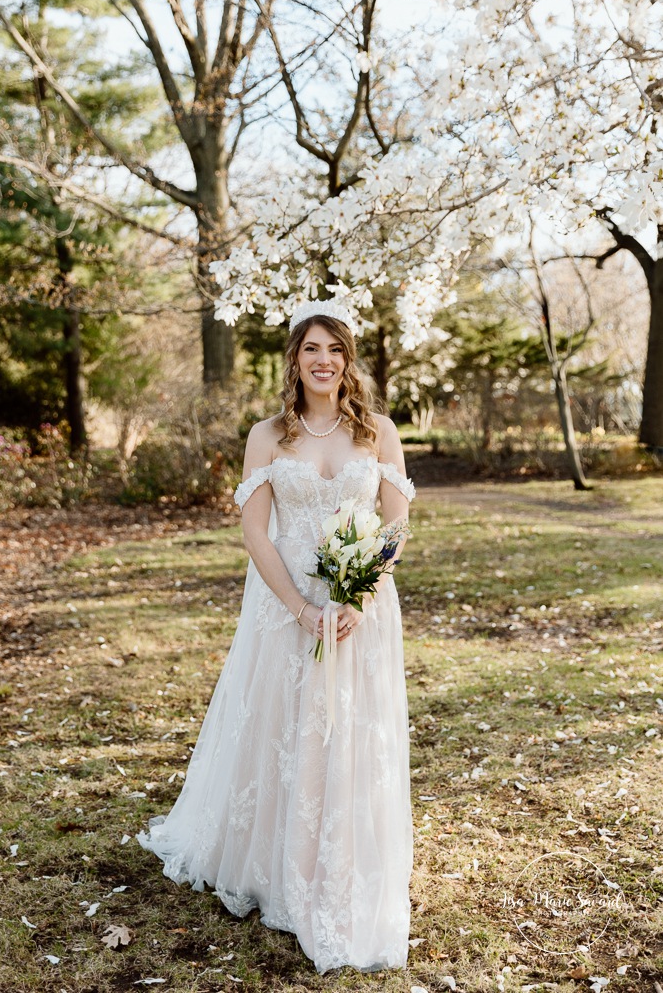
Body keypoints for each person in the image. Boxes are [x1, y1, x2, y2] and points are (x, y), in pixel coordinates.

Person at [137, 298, 416, 975]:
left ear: (349, 361)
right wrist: (298, 607)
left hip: (357, 609)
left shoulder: (376, 430)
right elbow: (256, 531)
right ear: (293, 360)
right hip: (281, 606)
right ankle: (278, 865)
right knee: (285, 730)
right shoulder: (268, 435)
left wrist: (360, 593)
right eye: (310, 350)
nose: (323, 361)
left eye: (335, 350)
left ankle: (341, 861)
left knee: (345, 731)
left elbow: (396, 523)